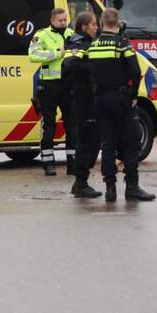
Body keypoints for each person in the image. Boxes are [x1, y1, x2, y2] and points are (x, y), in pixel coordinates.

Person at [87, 8, 155, 202]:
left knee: (108, 145)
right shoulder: (122, 44)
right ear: (118, 23)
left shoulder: (94, 45)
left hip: (100, 99)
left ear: (101, 23)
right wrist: (133, 95)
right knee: (130, 143)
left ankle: (110, 189)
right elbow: (135, 70)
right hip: (122, 99)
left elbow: (89, 71)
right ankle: (132, 187)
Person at [29, 8, 77, 176]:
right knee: (49, 126)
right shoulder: (42, 35)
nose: (63, 23)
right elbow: (33, 55)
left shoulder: (72, 34)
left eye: (65, 20)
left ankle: (73, 163)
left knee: (72, 126)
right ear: (52, 20)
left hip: (68, 85)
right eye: (60, 20)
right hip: (49, 86)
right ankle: (48, 162)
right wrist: (57, 53)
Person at [62, 11, 102, 198]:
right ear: (84, 26)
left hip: (91, 99)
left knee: (92, 141)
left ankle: (81, 181)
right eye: (93, 24)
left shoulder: (92, 42)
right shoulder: (78, 43)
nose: (96, 27)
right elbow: (69, 65)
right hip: (82, 99)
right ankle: (80, 183)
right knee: (88, 142)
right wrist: (92, 67)